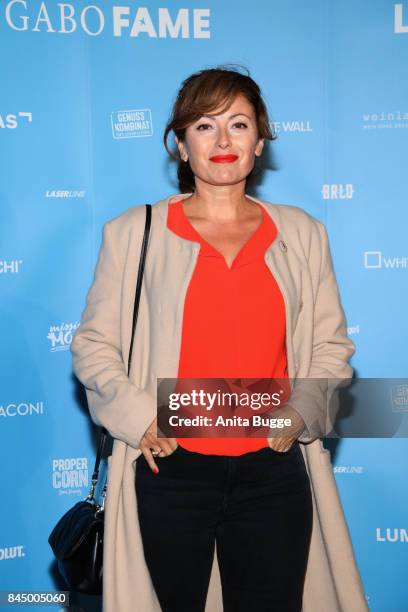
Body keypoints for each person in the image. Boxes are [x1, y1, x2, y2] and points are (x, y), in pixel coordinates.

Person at [71, 66, 369, 612]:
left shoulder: (302, 234)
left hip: (273, 470)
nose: (224, 140)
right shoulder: (132, 233)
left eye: (239, 124)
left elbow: (331, 346)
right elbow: (93, 346)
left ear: (261, 140)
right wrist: (140, 418)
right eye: (205, 126)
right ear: (181, 145)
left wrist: (303, 409)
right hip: (171, 470)